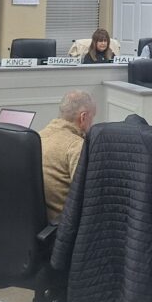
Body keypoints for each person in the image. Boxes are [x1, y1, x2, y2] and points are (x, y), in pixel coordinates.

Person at [40, 90, 96, 222]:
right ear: (83, 117)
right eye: (92, 117)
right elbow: (87, 197)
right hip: (64, 226)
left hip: (39, 223)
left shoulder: (38, 136)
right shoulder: (76, 146)